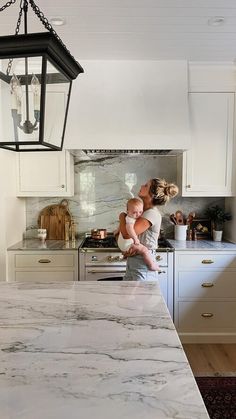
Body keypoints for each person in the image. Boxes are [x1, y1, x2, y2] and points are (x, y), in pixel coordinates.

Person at [119, 178, 178, 280]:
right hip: (134, 260)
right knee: (129, 295)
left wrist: (121, 216)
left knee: (142, 295)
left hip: (143, 262)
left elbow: (126, 234)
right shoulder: (140, 212)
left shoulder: (151, 213)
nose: (142, 186)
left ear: (152, 194)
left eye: (146, 185)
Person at [117, 197, 161, 271]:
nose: (138, 215)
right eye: (135, 212)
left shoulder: (131, 216)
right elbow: (128, 230)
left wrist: (121, 217)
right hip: (128, 244)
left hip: (125, 244)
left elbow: (121, 229)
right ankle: (151, 265)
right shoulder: (130, 219)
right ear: (128, 212)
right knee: (144, 250)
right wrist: (135, 239)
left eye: (140, 212)